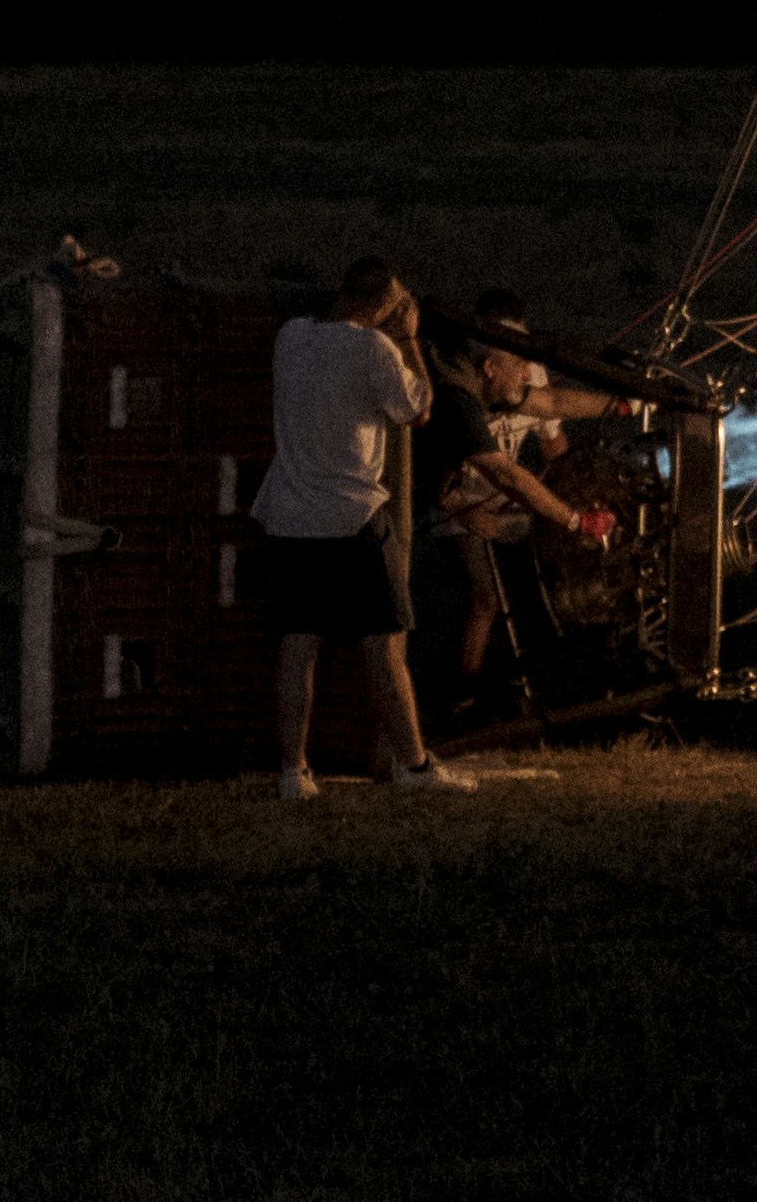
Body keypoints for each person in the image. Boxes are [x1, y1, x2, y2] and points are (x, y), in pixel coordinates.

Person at [251, 256, 469, 798]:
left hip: (290, 514)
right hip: (352, 517)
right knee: (385, 646)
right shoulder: (374, 349)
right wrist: (410, 339)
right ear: (389, 307)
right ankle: (414, 766)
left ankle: (292, 771)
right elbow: (417, 409)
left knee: (299, 646)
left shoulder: (291, 337)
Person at [422, 288, 624, 726]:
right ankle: (463, 696)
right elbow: (492, 473)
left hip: (501, 497)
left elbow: (553, 411)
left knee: (544, 574)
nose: (525, 375)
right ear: (489, 361)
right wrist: (572, 518)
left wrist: (624, 402)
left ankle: (552, 680)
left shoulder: (513, 372)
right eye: (516, 365)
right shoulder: (458, 394)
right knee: (488, 594)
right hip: (458, 502)